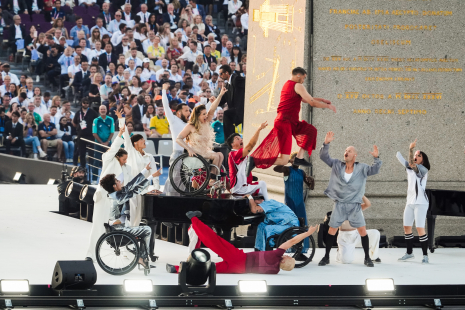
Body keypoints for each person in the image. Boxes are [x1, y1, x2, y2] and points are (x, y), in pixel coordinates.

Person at [247, 67, 336, 175]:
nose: (303, 81)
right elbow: (311, 102)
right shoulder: (297, 85)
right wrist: (328, 107)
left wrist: (322, 100)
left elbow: (305, 99)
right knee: (284, 160)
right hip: (285, 123)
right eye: (303, 78)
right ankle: (254, 160)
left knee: (310, 131)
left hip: (291, 122)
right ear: (298, 75)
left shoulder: (288, 84)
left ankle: (299, 157)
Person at [166, 210, 317, 274]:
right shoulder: (275, 271)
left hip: (239, 258)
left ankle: (193, 219)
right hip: (238, 269)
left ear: (285, 259)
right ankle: (177, 269)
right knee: (208, 269)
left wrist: (308, 233)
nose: (290, 256)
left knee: (214, 241)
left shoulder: (277, 255)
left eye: (290, 258)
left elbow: (292, 240)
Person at [317, 131, 381, 267]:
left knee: (363, 231)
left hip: (354, 205)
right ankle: (326, 257)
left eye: (349, 150)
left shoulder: (362, 168)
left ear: (354, 155)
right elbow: (323, 156)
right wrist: (326, 143)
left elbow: (374, 170)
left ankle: (367, 258)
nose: (346, 152)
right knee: (331, 230)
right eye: (345, 150)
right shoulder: (336, 165)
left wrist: (376, 158)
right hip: (339, 204)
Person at [99, 163, 162, 273]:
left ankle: (142, 256)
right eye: (117, 181)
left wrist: (145, 170)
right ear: (114, 185)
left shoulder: (116, 194)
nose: (120, 181)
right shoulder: (118, 198)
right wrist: (151, 177)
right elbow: (135, 190)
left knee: (143, 227)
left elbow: (130, 185)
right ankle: (142, 258)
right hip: (119, 230)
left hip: (119, 227)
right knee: (147, 230)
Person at [85, 125, 132, 262]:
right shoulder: (108, 160)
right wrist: (120, 135)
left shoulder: (126, 169)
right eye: (123, 159)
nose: (125, 162)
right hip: (103, 197)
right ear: (117, 157)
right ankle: (90, 254)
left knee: (117, 226)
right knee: (98, 225)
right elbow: (114, 149)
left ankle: (122, 252)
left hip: (116, 201)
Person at [118, 111, 160, 227]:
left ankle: (134, 233)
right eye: (142, 139)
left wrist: (156, 188)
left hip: (144, 189)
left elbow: (155, 174)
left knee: (139, 214)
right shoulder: (130, 151)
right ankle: (129, 232)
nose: (144, 141)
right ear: (135, 142)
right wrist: (121, 119)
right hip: (131, 187)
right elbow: (125, 134)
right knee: (131, 212)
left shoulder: (149, 156)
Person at [176, 87, 227, 181]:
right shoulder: (190, 126)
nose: (206, 115)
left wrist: (220, 95)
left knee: (221, 154)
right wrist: (189, 149)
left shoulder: (206, 121)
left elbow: (212, 108)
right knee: (216, 156)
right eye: (203, 114)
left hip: (205, 150)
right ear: (197, 115)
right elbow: (178, 139)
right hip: (195, 150)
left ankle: (215, 176)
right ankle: (211, 179)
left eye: (205, 114)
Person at [396, 139, 431, 264]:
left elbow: (411, 164)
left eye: (418, 155)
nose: (416, 157)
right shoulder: (409, 168)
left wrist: (410, 149)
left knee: (420, 227)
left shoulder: (423, 169)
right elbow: (402, 160)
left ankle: (425, 255)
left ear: (423, 159)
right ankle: (409, 253)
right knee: (407, 227)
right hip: (410, 201)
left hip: (421, 202)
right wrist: (397, 152)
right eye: (415, 155)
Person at [273, 153, 314, 251]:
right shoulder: (287, 170)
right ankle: (289, 247)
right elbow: (276, 169)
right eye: (295, 159)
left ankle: (301, 248)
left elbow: (311, 187)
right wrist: (287, 160)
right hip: (289, 202)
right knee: (290, 224)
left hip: (300, 203)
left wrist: (311, 181)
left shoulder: (301, 172)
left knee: (301, 224)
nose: (297, 161)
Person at [160, 83, 191, 194]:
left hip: (188, 153)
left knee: (185, 180)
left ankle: (179, 199)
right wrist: (164, 90)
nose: (189, 112)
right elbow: (165, 105)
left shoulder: (189, 123)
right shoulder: (173, 120)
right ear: (179, 113)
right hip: (177, 153)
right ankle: (166, 197)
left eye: (189, 110)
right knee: (174, 178)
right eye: (186, 110)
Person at [226, 122, 269, 199]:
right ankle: (268, 204)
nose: (241, 139)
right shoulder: (233, 154)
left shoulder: (243, 156)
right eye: (237, 139)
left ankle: (264, 205)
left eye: (241, 138)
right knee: (262, 184)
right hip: (239, 188)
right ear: (232, 144)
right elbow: (251, 144)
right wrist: (259, 129)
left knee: (262, 192)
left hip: (245, 187)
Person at [336, 196, 381, 264]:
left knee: (375, 233)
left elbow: (368, 204)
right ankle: (340, 252)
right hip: (346, 237)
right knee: (346, 261)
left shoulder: (357, 207)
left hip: (357, 235)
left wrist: (362, 194)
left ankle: (373, 257)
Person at [218, 64, 245, 140]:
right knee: (227, 114)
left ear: (226, 72)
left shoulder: (236, 78)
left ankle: (230, 139)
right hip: (236, 112)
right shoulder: (227, 86)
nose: (220, 76)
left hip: (242, 110)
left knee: (227, 114)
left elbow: (247, 84)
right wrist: (214, 101)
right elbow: (221, 100)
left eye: (221, 74)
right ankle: (231, 139)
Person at [92, 105, 115, 183]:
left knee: (109, 162)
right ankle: (94, 180)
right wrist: (101, 143)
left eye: (104, 109)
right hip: (98, 144)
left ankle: (108, 180)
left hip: (108, 144)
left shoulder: (111, 119)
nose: (102, 110)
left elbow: (112, 132)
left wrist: (107, 142)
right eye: (101, 109)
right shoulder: (96, 120)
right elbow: (94, 133)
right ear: (99, 110)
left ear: (106, 110)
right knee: (96, 161)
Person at [72, 98, 98, 167]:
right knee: (81, 152)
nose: (85, 104)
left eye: (87, 103)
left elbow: (97, 122)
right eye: (84, 103)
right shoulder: (78, 112)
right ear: (81, 103)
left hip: (90, 135)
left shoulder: (93, 112)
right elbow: (74, 123)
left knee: (91, 153)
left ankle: (91, 166)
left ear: (89, 104)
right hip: (81, 135)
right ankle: (82, 167)